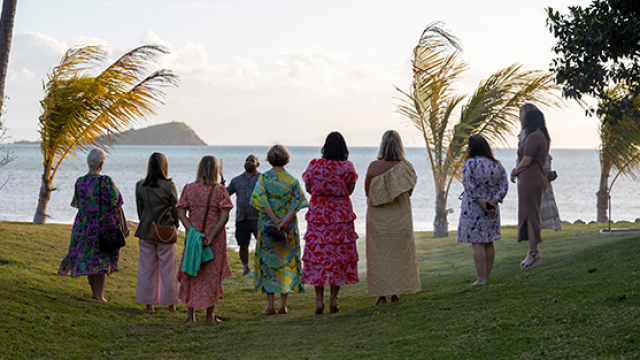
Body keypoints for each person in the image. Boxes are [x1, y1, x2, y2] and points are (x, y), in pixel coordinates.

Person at [58, 147, 130, 301]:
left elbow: (78, 203)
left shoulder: (80, 181)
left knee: (89, 260)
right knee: (101, 260)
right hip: (102, 227)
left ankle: (94, 293)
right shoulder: (106, 181)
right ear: (101, 164)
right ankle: (99, 295)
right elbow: (117, 201)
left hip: (84, 227)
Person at [302, 132, 359, 315]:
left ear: (325, 147)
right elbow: (350, 190)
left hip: (319, 214)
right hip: (340, 214)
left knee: (318, 256)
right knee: (337, 257)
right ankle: (334, 299)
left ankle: (319, 301)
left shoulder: (314, 165)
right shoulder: (347, 167)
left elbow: (309, 188)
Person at [364, 130, 420, 305]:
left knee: (378, 255)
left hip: (378, 218)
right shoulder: (406, 167)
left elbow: (368, 192)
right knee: (399, 254)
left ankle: (381, 295)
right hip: (400, 216)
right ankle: (396, 293)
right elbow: (409, 192)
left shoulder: (373, 167)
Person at [252, 144, 308, 315]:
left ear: (269, 159)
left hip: (268, 227)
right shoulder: (292, 180)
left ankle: (270, 305)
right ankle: (283, 304)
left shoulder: (263, 179)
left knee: (268, 263)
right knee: (286, 263)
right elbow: (297, 203)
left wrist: (275, 220)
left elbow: (260, 200)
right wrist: (284, 221)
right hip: (288, 228)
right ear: (286, 158)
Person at [176, 155, 233, 323]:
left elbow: (180, 212)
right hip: (214, 238)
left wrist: (191, 230)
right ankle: (210, 316)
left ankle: (190, 316)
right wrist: (211, 236)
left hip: (194, 237)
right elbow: (224, 217)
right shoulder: (220, 190)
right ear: (216, 170)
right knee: (211, 275)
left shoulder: (189, 188)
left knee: (192, 271)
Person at [456, 135, 508, 285]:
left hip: (474, 208)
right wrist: (492, 202)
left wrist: (481, 204)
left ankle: (481, 278)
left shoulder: (469, 164)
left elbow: (468, 186)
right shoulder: (497, 165)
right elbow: (503, 186)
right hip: (492, 208)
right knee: (488, 242)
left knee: (477, 243)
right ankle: (486, 277)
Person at [134, 152, 179, 313]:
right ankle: (171, 304)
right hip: (165, 230)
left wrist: (146, 222)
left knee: (147, 268)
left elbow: (140, 211)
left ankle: (149, 305)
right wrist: (176, 224)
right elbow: (175, 208)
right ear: (164, 166)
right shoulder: (169, 186)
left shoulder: (140, 185)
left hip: (146, 230)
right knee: (168, 268)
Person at [511, 108, 550, 269]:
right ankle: (532, 252)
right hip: (537, 178)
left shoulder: (534, 137)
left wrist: (515, 171)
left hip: (530, 178)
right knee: (531, 214)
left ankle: (533, 253)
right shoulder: (543, 136)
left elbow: (527, 161)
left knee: (529, 216)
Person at [518, 103, 562, 231]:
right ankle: (548, 226)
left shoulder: (529, 134)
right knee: (543, 201)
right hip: (540, 172)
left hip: (530, 173)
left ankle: (536, 230)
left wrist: (516, 171)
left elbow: (527, 158)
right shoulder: (542, 134)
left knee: (535, 205)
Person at [226, 155, 261, 276]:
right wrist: (219, 187)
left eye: (252, 160)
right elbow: (226, 193)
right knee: (242, 244)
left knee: (262, 244)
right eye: (247, 160)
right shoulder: (237, 180)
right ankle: (246, 268)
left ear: (257, 164)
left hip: (258, 218)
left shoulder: (262, 179)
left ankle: (261, 267)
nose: (249, 162)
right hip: (241, 218)